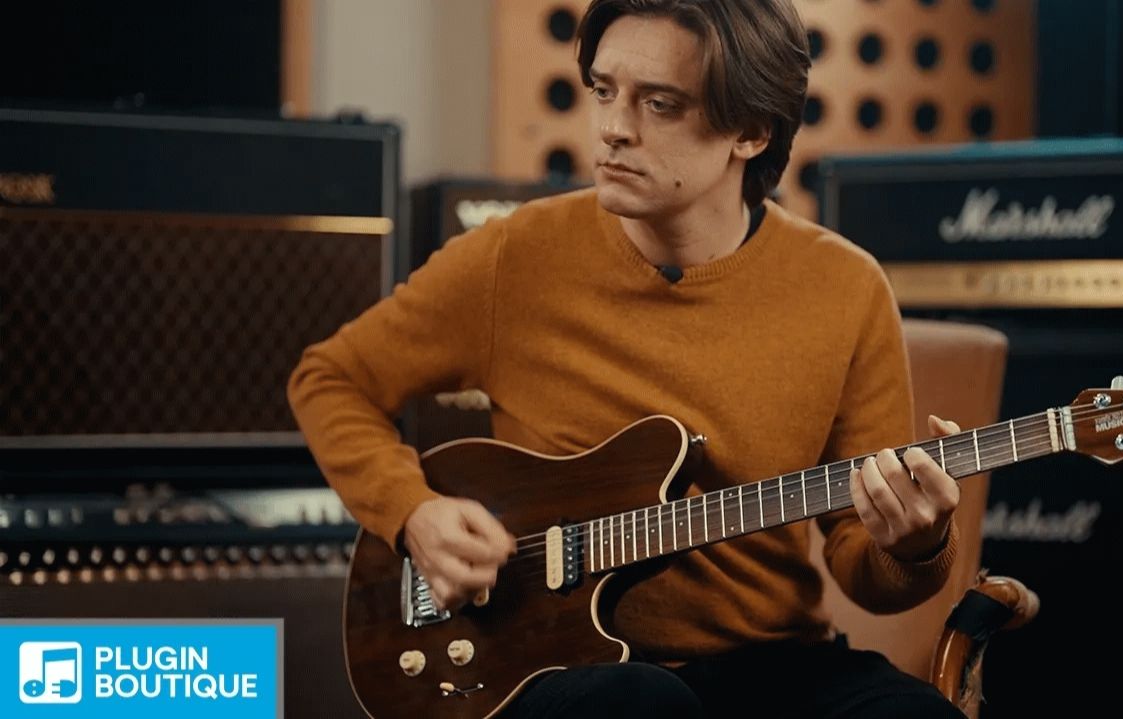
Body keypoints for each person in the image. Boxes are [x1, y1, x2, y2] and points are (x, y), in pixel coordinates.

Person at [288, 1, 966, 716]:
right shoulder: (516, 255)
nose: (613, 127)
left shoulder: (847, 288)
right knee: (639, 703)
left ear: (751, 131)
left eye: (659, 104)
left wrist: (915, 545)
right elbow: (329, 379)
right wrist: (413, 512)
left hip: (773, 661)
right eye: (604, 91)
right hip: (557, 665)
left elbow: (866, 567)